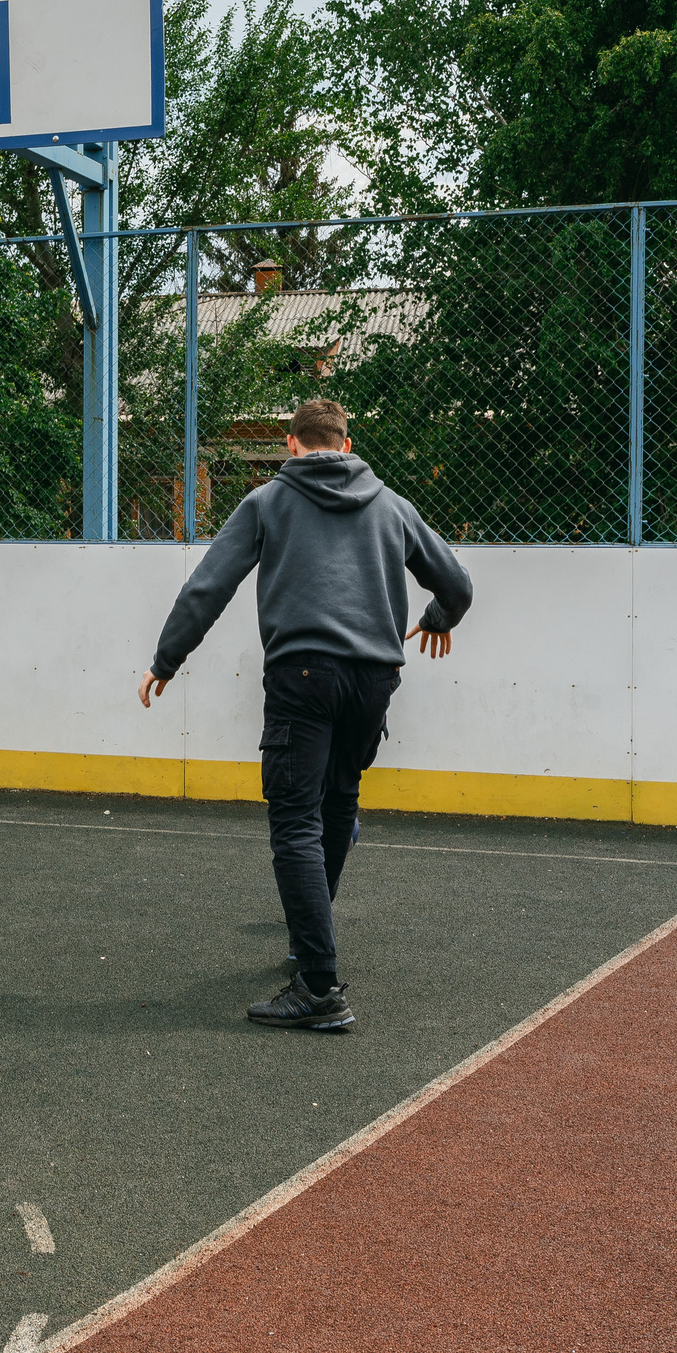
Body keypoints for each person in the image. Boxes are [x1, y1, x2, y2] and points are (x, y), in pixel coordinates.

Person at [139, 397, 472, 1032]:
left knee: (295, 821)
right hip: (375, 677)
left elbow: (208, 585)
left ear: (291, 444)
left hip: (304, 674)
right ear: (346, 445)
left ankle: (319, 984)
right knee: (338, 805)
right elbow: (456, 585)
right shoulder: (393, 506)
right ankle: (307, 947)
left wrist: (166, 659)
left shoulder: (267, 502)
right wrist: (435, 621)